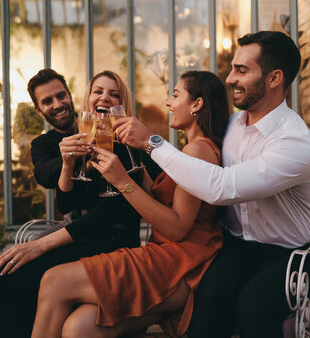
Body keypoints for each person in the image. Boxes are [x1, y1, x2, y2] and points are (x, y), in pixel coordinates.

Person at [114, 31, 310, 337]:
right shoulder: (232, 126)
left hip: (288, 254)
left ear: (274, 78)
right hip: (235, 246)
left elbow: (222, 187)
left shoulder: (295, 143)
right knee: (207, 307)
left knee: (253, 308)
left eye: (242, 70)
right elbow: (194, 161)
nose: (229, 79)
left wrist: (150, 141)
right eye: (233, 69)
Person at [30, 70, 229, 338]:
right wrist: (134, 155)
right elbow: (160, 200)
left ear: (197, 105)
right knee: (78, 328)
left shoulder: (198, 150)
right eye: (98, 91)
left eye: (175, 95)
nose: (168, 103)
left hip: (182, 261)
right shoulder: (188, 149)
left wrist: (122, 180)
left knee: (53, 281)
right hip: (168, 255)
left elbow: (177, 228)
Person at [0, 69, 146, 338]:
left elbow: (109, 211)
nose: (57, 104)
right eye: (48, 101)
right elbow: (66, 201)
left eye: (61, 96)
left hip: (109, 243)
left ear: (71, 95)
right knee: (2, 283)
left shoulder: (121, 139)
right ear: (38, 109)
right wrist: (68, 162)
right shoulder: (50, 143)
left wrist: (39, 245)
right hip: (85, 237)